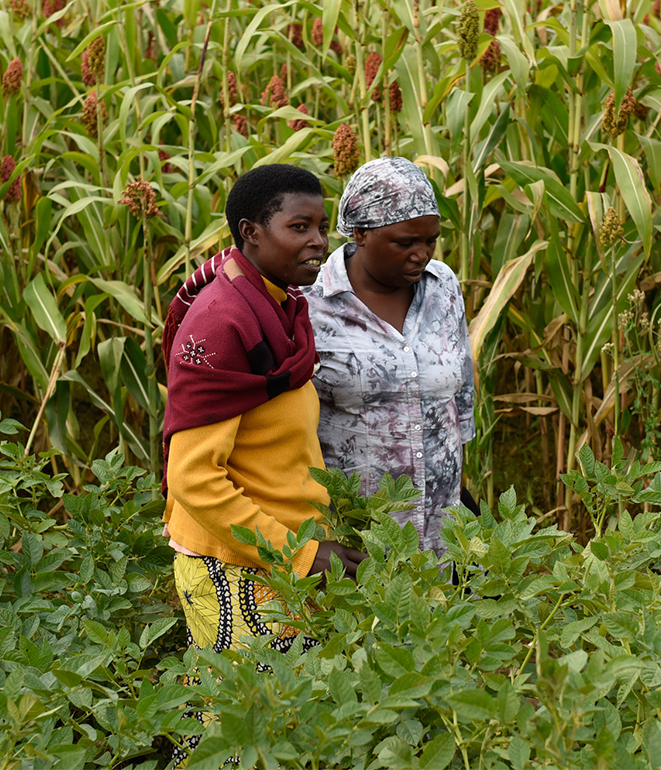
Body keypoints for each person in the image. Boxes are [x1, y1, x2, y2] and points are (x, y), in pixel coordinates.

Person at [161, 164, 367, 760]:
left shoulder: (280, 306)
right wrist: (302, 551)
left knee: (266, 725)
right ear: (251, 232)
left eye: (322, 226)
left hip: (276, 554)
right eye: (298, 226)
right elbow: (193, 476)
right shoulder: (224, 321)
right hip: (234, 563)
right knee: (247, 731)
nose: (319, 242)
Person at [305, 156, 475, 554]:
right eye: (406, 242)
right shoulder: (311, 300)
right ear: (361, 233)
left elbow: (461, 392)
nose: (422, 254)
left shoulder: (443, 285)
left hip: (441, 527)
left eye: (430, 240)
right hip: (356, 533)